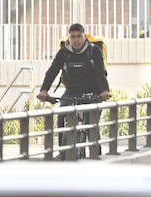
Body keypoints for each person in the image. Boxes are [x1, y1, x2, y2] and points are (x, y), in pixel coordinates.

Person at [38, 23, 112, 160]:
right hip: (72, 91)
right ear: (69, 37)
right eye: (73, 37)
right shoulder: (64, 52)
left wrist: (104, 91)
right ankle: (63, 151)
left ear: (84, 36)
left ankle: (96, 155)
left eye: (79, 36)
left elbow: (100, 73)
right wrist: (44, 90)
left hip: (93, 92)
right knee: (61, 117)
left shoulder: (94, 51)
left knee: (91, 125)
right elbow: (52, 71)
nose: (76, 40)